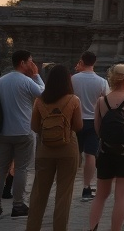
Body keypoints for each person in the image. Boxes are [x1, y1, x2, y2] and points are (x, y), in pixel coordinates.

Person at [25, 64, 82, 231]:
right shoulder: (73, 100)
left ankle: (32, 228)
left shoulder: (40, 100)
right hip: (68, 149)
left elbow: (35, 127)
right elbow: (78, 126)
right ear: (67, 80)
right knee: (64, 195)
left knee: (38, 194)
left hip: (45, 150)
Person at [0, 50, 45, 222]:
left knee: (1, 168)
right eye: (30, 61)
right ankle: (18, 205)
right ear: (22, 63)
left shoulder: (2, 81)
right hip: (23, 130)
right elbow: (43, 94)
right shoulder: (27, 81)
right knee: (21, 169)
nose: (32, 64)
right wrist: (37, 75)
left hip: (3, 131)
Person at [88, 64, 124, 231]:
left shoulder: (102, 101)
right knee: (121, 196)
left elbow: (97, 129)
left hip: (105, 152)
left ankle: (92, 228)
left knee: (101, 196)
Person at [72, 50, 110, 202]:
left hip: (75, 120)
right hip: (93, 121)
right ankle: (87, 188)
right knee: (90, 154)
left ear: (81, 61)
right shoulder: (101, 81)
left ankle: (67, 183)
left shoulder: (73, 79)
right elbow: (106, 102)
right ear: (94, 62)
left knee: (74, 154)